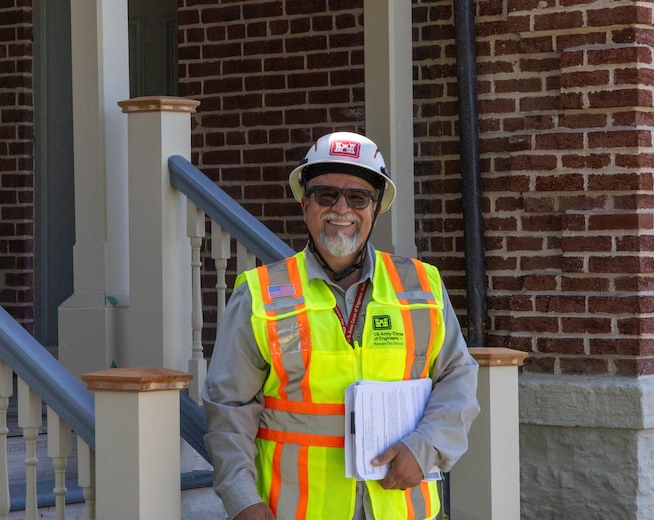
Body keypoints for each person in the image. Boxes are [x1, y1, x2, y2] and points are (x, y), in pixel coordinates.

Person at [203, 131, 480, 520]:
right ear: (305, 204)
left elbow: (458, 376)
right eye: (326, 195)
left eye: (358, 197)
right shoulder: (259, 294)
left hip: (403, 509)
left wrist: (426, 446)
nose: (341, 209)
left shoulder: (422, 285)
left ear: (376, 207)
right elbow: (229, 407)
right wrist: (241, 498)